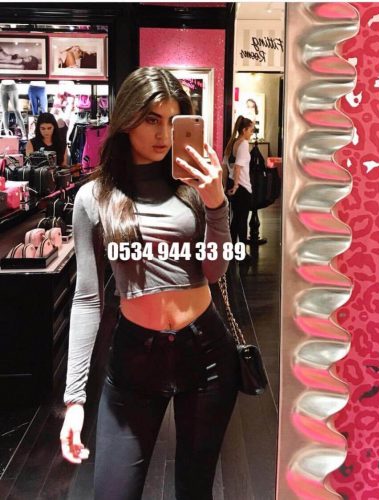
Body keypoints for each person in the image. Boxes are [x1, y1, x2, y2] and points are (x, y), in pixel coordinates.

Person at [59, 67, 239, 500]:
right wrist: (74, 399)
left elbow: (215, 271)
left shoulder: (194, 186)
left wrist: (216, 203)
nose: (162, 134)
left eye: (172, 121)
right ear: (126, 119)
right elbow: (87, 299)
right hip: (135, 357)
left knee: (195, 490)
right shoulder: (94, 197)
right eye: (151, 119)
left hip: (207, 353)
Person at [224, 115, 254, 252]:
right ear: (244, 130)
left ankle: (232, 250)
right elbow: (237, 167)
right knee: (242, 220)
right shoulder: (243, 144)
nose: (251, 133)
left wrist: (226, 185)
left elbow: (225, 167)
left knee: (236, 219)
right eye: (250, 130)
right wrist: (236, 186)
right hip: (241, 186)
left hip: (233, 184)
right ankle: (241, 252)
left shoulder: (232, 143)